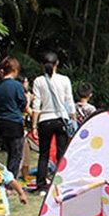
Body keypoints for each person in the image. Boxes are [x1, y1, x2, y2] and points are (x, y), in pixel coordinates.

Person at [31, 51, 76, 194]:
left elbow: (36, 105)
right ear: (57, 64)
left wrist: (34, 125)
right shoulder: (64, 80)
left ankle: (41, 184)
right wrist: (73, 119)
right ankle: (61, 182)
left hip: (45, 120)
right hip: (61, 119)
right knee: (61, 152)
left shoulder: (38, 81)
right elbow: (70, 101)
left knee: (43, 154)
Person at [0, 56, 28, 179]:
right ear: (15, 70)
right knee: (16, 155)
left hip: (1, 122)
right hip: (14, 122)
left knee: (10, 153)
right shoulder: (16, 85)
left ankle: (7, 178)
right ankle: (10, 182)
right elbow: (23, 104)